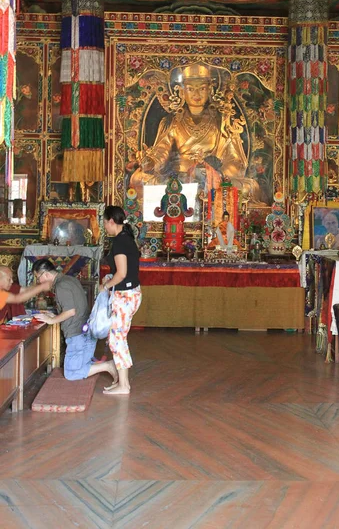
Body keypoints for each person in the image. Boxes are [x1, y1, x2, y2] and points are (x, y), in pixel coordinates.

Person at [129, 63, 256, 196]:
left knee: (251, 187)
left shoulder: (222, 121)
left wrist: (217, 174)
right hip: (179, 179)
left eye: (202, 89)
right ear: (182, 91)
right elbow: (161, 153)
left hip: (213, 180)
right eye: (190, 89)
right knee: (138, 179)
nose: (196, 94)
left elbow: (235, 160)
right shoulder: (172, 122)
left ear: (210, 90)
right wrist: (149, 162)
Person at [32, 259, 118, 384]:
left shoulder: (61, 286)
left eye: (38, 277)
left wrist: (51, 320)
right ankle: (101, 365)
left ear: (46, 274)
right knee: (82, 365)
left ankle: (107, 366)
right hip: (87, 331)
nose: (38, 281)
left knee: (70, 374)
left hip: (77, 335)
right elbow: (74, 307)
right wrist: (55, 314)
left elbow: (70, 312)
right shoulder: (70, 279)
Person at [98, 205, 142, 395]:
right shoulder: (125, 238)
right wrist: (110, 278)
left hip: (125, 296)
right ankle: (122, 382)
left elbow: (122, 273)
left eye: (104, 222)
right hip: (130, 293)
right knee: (118, 338)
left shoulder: (120, 242)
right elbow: (123, 271)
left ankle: (124, 385)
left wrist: (105, 286)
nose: (104, 226)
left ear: (110, 221)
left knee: (117, 339)